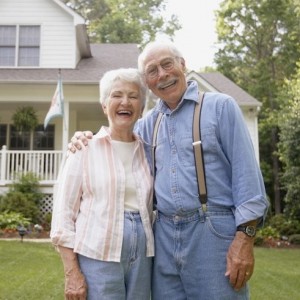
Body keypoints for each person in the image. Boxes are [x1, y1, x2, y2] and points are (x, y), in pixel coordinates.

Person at [69, 41, 269, 300]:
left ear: (183, 65)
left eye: (167, 64)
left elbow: (248, 180)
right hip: (162, 236)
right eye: (152, 71)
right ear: (148, 83)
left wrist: (245, 239)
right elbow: (117, 138)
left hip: (212, 231)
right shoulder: (146, 125)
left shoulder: (221, 107)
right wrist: (84, 138)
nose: (162, 75)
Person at [50, 68, 154, 300]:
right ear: (104, 105)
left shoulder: (148, 151)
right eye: (116, 95)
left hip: (143, 257)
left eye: (133, 96)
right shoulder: (84, 148)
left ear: (141, 108)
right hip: (98, 255)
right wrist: (72, 273)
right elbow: (63, 215)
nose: (125, 102)